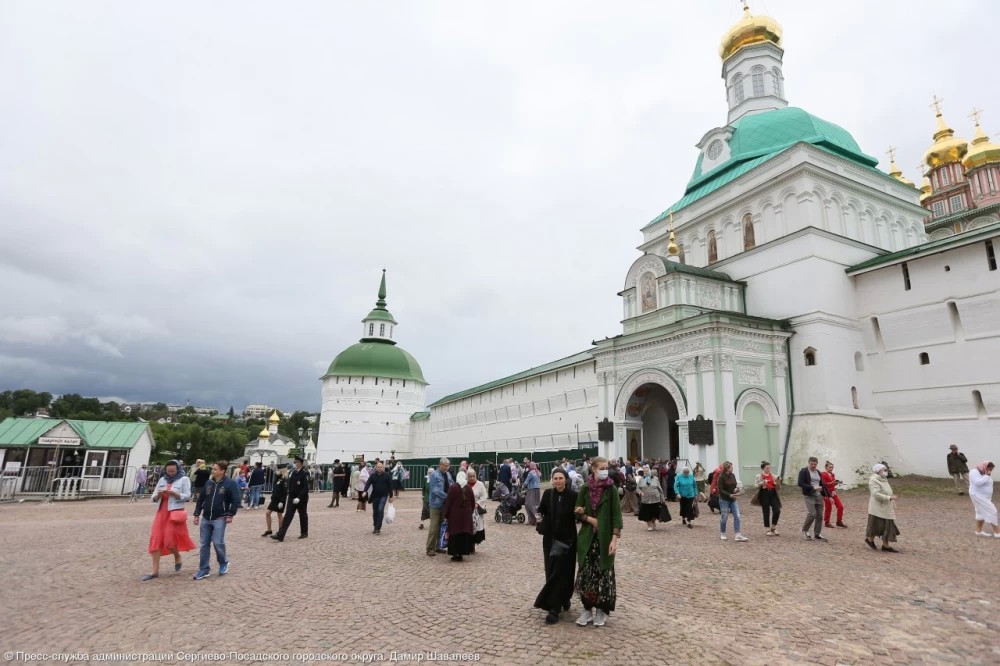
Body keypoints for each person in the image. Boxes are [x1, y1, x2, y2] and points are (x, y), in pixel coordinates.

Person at [574, 456, 622, 627]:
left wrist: (614, 540)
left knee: (604, 574)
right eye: (601, 468)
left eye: (606, 467)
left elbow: (616, 516)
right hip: (587, 538)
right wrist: (586, 516)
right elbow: (577, 512)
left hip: (605, 538)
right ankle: (587, 609)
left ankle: (601, 610)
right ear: (593, 469)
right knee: (586, 573)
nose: (604, 471)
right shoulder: (585, 488)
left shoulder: (612, 489)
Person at [534, 468, 579, 625]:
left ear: (566, 479)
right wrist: (539, 520)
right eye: (556, 478)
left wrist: (580, 512)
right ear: (552, 480)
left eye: (561, 478)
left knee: (565, 571)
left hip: (567, 540)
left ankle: (560, 601)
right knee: (552, 571)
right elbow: (541, 510)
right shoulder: (548, 494)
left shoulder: (573, 495)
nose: (558, 481)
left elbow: (578, 515)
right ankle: (556, 604)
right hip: (550, 540)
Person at [143, 459, 195, 580]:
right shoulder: (162, 479)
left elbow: (188, 496)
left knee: (169, 540)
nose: (170, 473)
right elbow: (153, 496)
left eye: (173, 471)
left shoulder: (184, 479)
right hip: (161, 513)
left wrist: (175, 494)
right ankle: (154, 571)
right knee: (155, 539)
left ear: (178, 469)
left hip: (174, 513)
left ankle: (177, 555)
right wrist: (158, 495)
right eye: (168, 471)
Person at [192, 460, 240, 580]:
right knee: (204, 544)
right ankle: (204, 569)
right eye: (212, 469)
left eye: (215, 469)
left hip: (220, 517)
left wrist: (231, 514)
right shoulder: (208, 483)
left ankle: (223, 562)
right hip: (206, 517)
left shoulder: (230, 483)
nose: (212, 471)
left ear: (222, 471)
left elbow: (236, 500)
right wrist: (197, 514)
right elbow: (201, 499)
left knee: (218, 542)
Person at [271, 457, 309, 542]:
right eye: (295, 462)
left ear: (301, 464)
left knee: (302, 515)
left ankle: (304, 532)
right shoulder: (293, 472)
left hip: (301, 498)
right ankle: (280, 535)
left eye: (297, 462)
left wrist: (299, 498)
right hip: (292, 497)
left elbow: (305, 488)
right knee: (288, 516)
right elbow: (289, 484)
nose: (295, 463)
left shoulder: (304, 473)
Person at [442, 469, 476, 561]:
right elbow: (473, 502)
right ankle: (462, 553)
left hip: (454, 516)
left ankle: (455, 553)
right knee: (463, 534)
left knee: (455, 534)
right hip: (466, 515)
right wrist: (470, 511)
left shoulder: (453, 488)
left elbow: (448, 502)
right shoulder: (469, 488)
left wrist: (445, 514)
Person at [865, 464, 900, 552]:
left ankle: (885, 545)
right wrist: (889, 497)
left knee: (887, 525)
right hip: (878, 508)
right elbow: (876, 494)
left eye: (886, 470)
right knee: (876, 525)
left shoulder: (884, 479)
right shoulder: (873, 481)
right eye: (884, 470)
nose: (886, 471)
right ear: (878, 471)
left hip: (886, 507)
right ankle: (870, 539)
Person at [797, 457, 828, 542]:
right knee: (812, 514)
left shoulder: (818, 472)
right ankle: (805, 530)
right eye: (811, 464)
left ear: (817, 464)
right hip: (809, 495)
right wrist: (812, 487)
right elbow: (800, 483)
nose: (813, 466)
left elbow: (823, 484)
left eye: (815, 464)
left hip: (819, 496)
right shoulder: (804, 471)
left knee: (820, 515)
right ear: (808, 463)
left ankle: (817, 534)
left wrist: (828, 495)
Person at [716, 461, 748, 542]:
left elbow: (734, 486)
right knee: (725, 517)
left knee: (737, 516)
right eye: (731, 467)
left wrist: (736, 490)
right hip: (724, 500)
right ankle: (722, 533)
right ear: (727, 468)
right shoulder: (721, 477)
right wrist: (729, 495)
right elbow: (720, 490)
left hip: (733, 499)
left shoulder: (733, 475)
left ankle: (738, 534)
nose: (733, 468)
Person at [426, 458, 451, 556]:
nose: (447, 467)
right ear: (440, 465)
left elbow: (452, 484)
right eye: (445, 465)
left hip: (445, 505)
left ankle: (438, 546)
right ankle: (430, 548)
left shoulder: (448, 474)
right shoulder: (434, 475)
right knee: (434, 527)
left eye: (448, 465)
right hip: (436, 505)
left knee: (441, 526)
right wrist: (447, 496)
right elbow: (435, 490)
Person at [364, 461, 395, 535]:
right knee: (375, 511)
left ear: (383, 468)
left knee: (380, 510)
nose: (379, 468)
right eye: (378, 467)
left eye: (381, 467)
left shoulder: (387, 475)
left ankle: (378, 527)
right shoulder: (373, 475)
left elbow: (390, 486)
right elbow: (368, 483)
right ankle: (375, 525)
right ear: (376, 468)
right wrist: (365, 491)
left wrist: (391, 496)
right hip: (375, 496)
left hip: (384, 495)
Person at [969, 461, 999, 538]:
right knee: (992, 511)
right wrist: (987, 475)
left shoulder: (984, 472)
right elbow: (978, 482)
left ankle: (978, 531)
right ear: (984, 466)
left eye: (991, 470)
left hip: (985, 496)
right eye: (989, 469)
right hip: (977, 495)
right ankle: (997, 532)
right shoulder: (974, 472)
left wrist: (987, 475)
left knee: (980, 513)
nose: (990, 471)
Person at [755, 461, 782, 536]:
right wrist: (762, 483)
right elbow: (756, 485)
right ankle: (767, 528)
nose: (768, 469)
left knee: (777, 510)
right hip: (764, 494)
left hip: (773, 493)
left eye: (769, 468)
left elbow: (778, 486)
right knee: (766, 511)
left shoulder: (773, 476)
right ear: (763, 468)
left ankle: (773, 527)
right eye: (767, 468)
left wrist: (778, 482)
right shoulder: (759, 476)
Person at [820, 461, 846, 529]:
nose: (831, 468)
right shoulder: (823, 474)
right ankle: (827, 522)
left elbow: (832, 484)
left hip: (833, 492)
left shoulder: (832, 474)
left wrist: (836, 483)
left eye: (832, 467)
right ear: (826, 467)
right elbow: (824, 485)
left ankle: (839, 521)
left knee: (840, 507)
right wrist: (832, 482)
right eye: (830, 467)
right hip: (827, 493)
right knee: (828, 508)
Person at [263, 466, 287, 537]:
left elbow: (284, 492)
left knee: (279, 515)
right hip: (274, 499)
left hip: (280, 500)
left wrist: (282, 501)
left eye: (278, 470)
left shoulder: (284, 480)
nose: (277, 471)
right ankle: (269, 530)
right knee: (267, 513)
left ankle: (280, 530)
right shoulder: (277, 478)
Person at [467, 467, 487, 551]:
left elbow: (484, 496)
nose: (472, 478)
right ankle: (467, 544)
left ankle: (473, 544)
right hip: (467, 510)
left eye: (473, 476)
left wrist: (477, 504)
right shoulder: (465, 484)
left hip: (476, 509)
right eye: (470, 476)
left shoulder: (480, 484)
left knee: (476, 527)